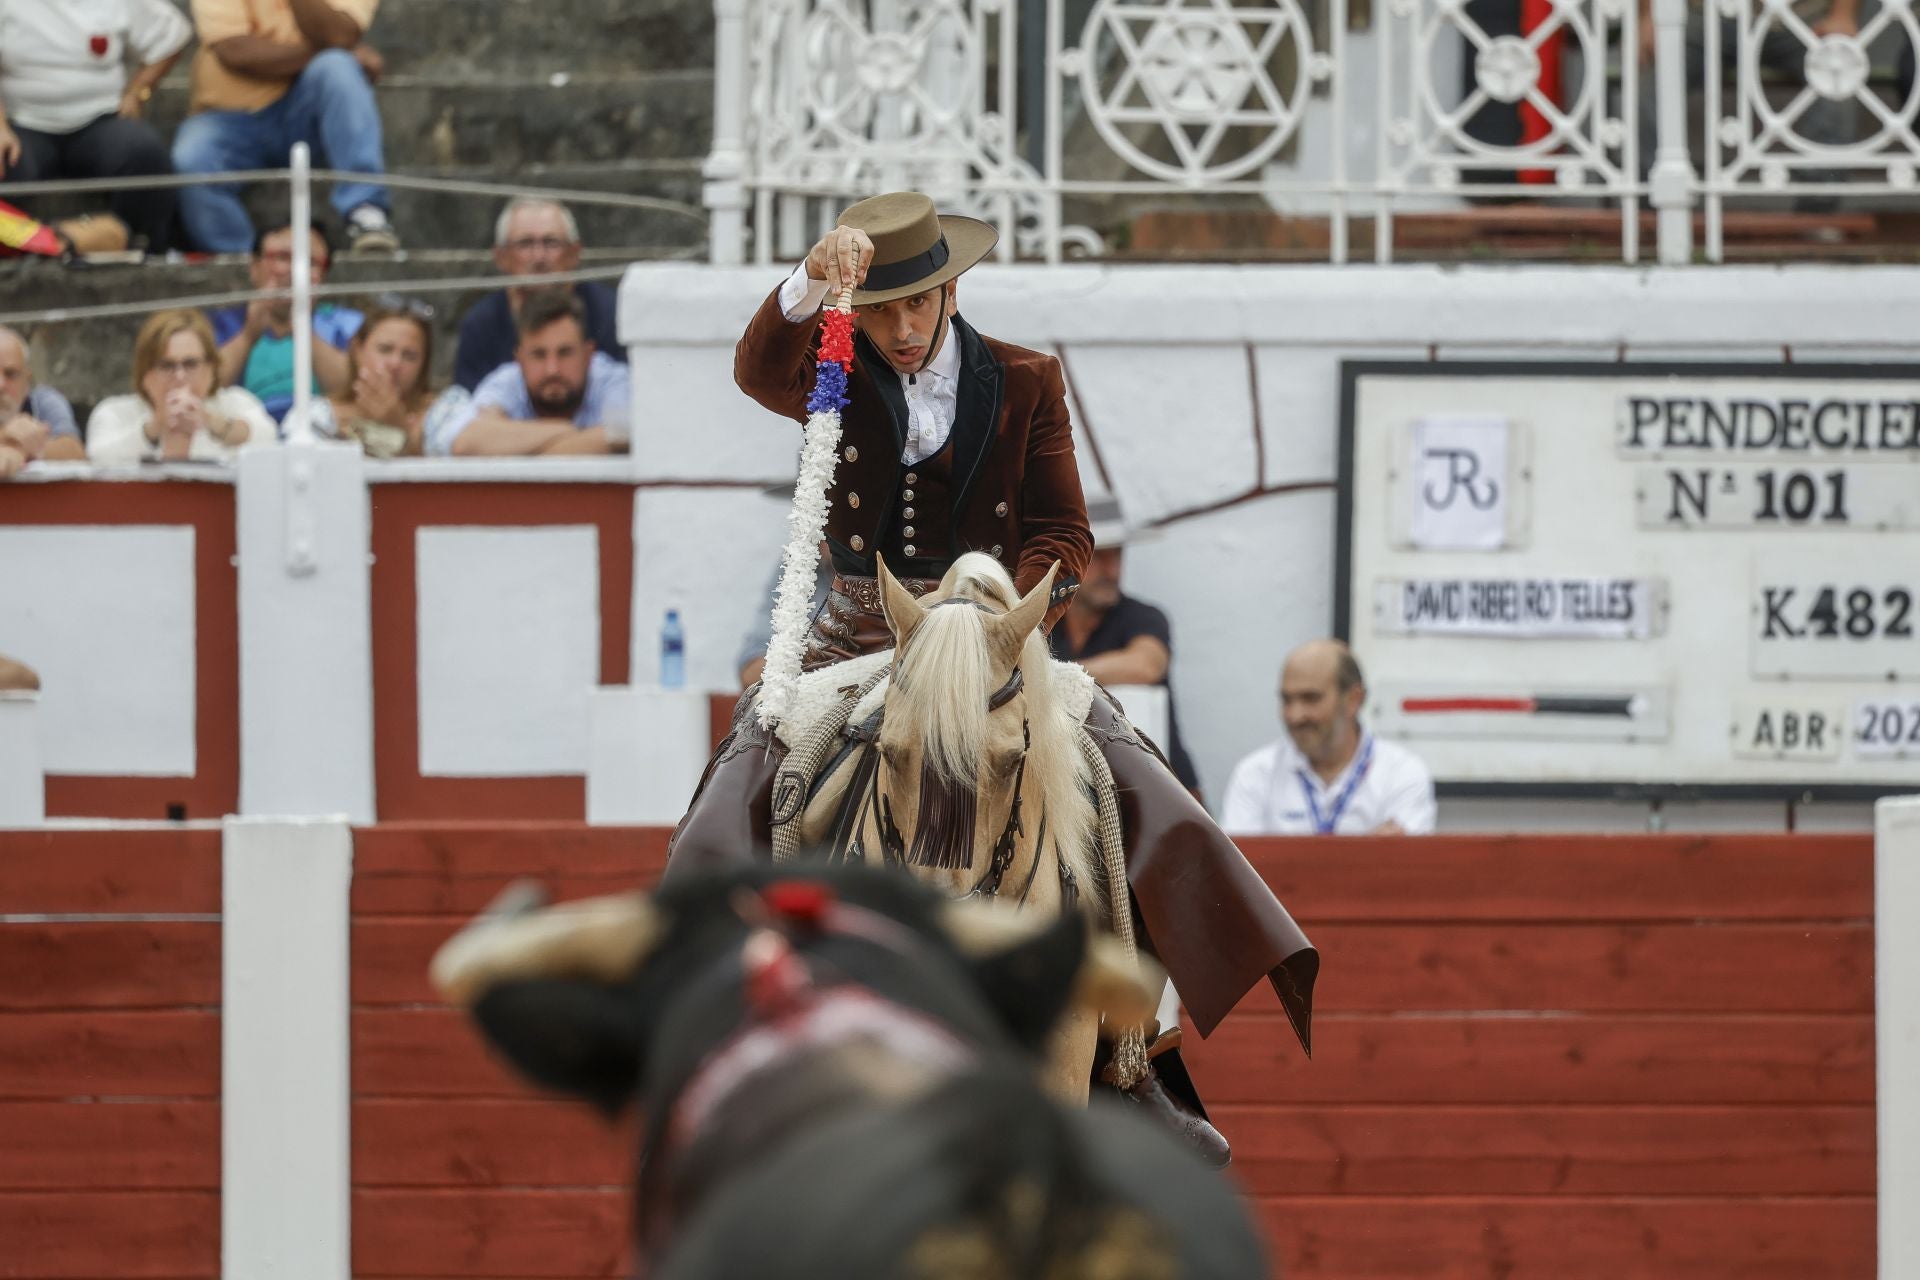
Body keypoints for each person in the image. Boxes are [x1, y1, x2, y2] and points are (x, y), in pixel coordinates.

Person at [734, 190, 1091, 668]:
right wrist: (812, 275)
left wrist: (1009, 625)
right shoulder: (837, 366)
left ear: (952, 292)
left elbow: (1061, 531)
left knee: (1106, 739)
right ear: (856, 310)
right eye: (879, 309)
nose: (902, 331)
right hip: (854, 639)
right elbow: (759, 375)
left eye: (918, 302)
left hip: (989, 634)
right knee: (758, 738)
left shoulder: (1028, 377)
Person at [171, 0, 399, 254]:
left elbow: (340, 34)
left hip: (309, 117)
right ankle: (244, 266)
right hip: (228, 118)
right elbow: (235, 50)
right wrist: (332, 52)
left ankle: (366, 213)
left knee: (338, 67)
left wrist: (336, 51)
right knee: (191, 157)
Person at [0, 0, 191, 253]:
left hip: (100, 120)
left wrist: (137, 92)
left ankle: (143, 251)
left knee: (146, 154)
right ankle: (18, 254)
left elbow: (172, 36)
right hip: (20, 123)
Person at [1047, 497, 1201, 794]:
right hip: (1078, 791)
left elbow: (1146, 665)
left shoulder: (1142, 616)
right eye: (1100, 557)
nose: (1112, 570)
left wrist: (1053, 675)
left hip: (1168, 790)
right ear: (1071, 559)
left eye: (1117, 556)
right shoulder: (1047, 625)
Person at [1221, 639, 1436, 836]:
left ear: (1353, 700)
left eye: (1310, 698)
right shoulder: (1254, 774)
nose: (1295, 716)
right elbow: (1236, 871)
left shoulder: (1402, 773)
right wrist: (1368, 853)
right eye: (1287, 700)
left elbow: (1403, 871)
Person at [429, 290, 630, 457]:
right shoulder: (506, 382)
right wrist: (571, 431)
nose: (553, 369)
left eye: (565, 353)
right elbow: (466, 443)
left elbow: (623, 435)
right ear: (519, 360)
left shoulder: (613, 380)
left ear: (589, 355)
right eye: (539, 355)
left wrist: (514, 444)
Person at [452, 199, 626, 392]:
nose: (539, 257)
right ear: (501, 257)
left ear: (574, 253)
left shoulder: (611, 314)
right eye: (525, 244)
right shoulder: (480, 325)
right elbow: (468, 411)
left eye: (551, 243)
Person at [211, 220, 362, 422]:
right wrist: (247, 336)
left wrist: (305, 328)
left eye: (310, 262)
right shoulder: (222, 325)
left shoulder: (347, 324)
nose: (295, 271)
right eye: (283, 258)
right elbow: (205, 391)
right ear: (254, 266)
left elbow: (355, 393)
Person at [87, 308, 275, 465]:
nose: (180, 376)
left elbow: (269, 439)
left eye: (190, 364)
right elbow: (97, 457)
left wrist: (210, 422)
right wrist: (155, 427)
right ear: (145, 373)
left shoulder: (236, 402)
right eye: (167, 365)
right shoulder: (114, 412)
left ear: (210, 369)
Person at [309, 297, 437, 456]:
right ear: (357, 350)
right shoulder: (318, 416)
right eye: (385, 349)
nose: (395, 363)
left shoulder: (441, 416)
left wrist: (401, 429)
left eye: (409, 355)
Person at [0, 326, 86, 478]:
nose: (1, 385)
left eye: (11, 374)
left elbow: (74, 450)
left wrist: (19, 448)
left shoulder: (44, 401)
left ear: (27, 379)